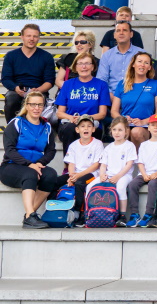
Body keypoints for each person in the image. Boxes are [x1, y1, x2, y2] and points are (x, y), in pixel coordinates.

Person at [2, 91, 59, 228]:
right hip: (11, 167)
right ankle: (30, 215)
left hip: (35, 166)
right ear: (26, 106)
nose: (36, 108)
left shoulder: (47, 127)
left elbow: (51, 150)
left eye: (40, 105)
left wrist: (39, 163)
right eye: (33, 104)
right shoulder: (16, 123)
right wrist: (29, 164)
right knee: (30, 173)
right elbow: (9, 150)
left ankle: (29, 215)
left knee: (51, 175)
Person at [125, 114, 157, 227]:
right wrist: (144, 174)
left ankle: (149, 213)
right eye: (152, 125)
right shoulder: (144, 145)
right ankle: (134, 214)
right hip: (144, 173)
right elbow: (140, 162)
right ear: (148, 127)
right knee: (132, 184)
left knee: (152, 184)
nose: (155, 127)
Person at [2, 23, 55, 121]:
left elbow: (50, 81)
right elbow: (6, 78)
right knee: (11, 99)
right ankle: (12, 129)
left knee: (37, 101)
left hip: (38, 91)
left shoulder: (46, 57)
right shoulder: (11, 56)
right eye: (28, 36)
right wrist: (16, 88)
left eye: (35, 36)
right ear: (22, 37)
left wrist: (38, 90)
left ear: (38, 38)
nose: (32, 39)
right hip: (17, 91)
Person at [54, 53, 110, 146]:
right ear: (75, 67)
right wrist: (71, 118)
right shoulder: (68, 84)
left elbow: (102, 114)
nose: (84, 66)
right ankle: (69, 160)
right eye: (80, 64)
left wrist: (84, 119)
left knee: (86, 128)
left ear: (93, 67)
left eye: (87, 63)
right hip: (70, 123)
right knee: (71, 128)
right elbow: (60, 113)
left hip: (92, 123)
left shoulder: (101, 85)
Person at [110, 52, 157, 146]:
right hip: (125, 124)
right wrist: (123, 119)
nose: (142, 65)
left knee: (136, 132)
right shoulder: (122, 84)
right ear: (133, 64)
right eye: (139, 61)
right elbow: (114, 111)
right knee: (123, 132)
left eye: (146, 63)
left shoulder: (156, 85)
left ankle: (139, 160)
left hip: (146, 126)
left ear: (150, 67)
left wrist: (143, 122)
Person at [98, 117, 137, 226]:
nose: (117, 132)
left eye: (120, 130)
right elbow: (103, 165)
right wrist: (102, 175)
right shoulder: (109, 147)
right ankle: (90, 212)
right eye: (114, 130)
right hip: (109, 174)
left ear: (126, 131)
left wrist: (118, 176)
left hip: (124, 175)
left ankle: (122, 215)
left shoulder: (129, 146)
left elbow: (129, 165)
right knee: (90, 186)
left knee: (120, 187)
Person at [96, 22, 142, 94]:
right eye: (118, 30)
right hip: (111, 96)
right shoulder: (107, 55)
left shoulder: (141, 54)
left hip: (135, 96)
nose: (121, 33)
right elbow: (101, 80)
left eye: (125, 30)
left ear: (131, 34)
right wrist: (110, 96)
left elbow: (146, 80)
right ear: (114, 35)